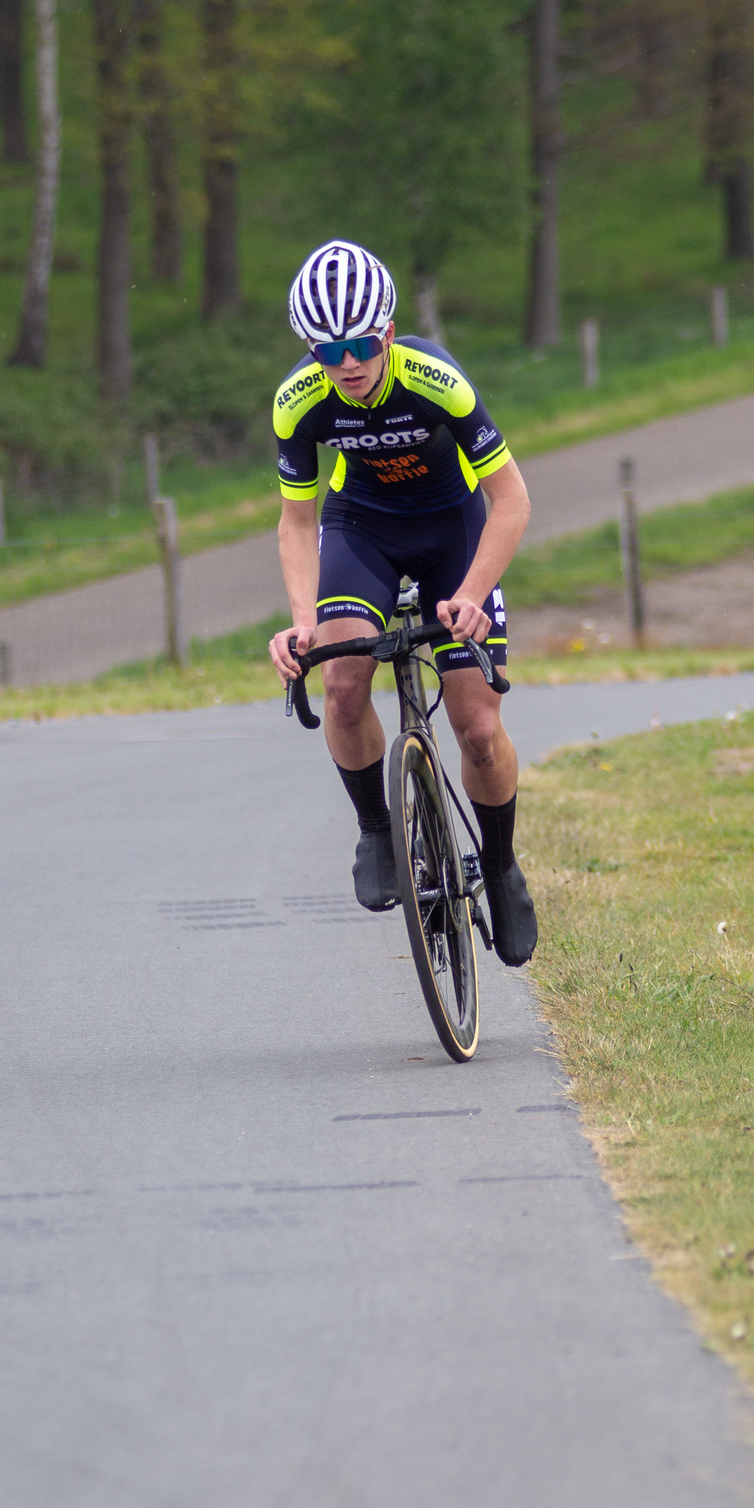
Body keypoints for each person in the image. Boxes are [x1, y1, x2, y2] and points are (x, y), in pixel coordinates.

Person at [267, 239, 538, 966]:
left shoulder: (435, 380)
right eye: (328, 352)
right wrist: (301, 622)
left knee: (477, 724)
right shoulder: (298, 403)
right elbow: (297, 522)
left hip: (455, 528)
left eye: (361, 344)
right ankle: (376, 828)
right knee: (343, 682)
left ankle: (503, 864)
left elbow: (511, 500)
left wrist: (475, 595)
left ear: (386, 334)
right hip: (363, 529)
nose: (347, 363)